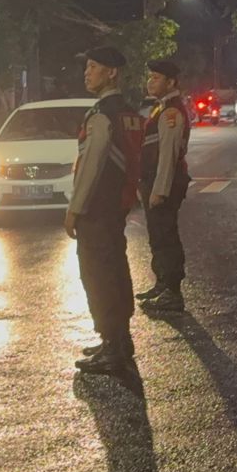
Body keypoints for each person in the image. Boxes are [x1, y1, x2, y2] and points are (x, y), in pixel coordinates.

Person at [66, 47, 144, 375]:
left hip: (97, 209)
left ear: (112, 73)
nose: (87, 72)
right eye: (86, 67)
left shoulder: (102, 114)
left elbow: (91, 165)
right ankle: (120, 340)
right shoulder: (129, 113)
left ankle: (113, 347)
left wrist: (74, 209)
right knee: (115, 270)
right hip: (117, 205)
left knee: (97, 275)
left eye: (94, 66)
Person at [137, 59, 192, 313]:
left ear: (171, 82)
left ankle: (172, 292)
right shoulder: (160, 108)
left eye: (156, 78)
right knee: (157, 236)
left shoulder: (172, 112)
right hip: (153, 181)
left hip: (165, 184)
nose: (151, 82)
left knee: (165, 236)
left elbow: (168, 155)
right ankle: (162, 283)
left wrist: (159, 190)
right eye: (150, 77)